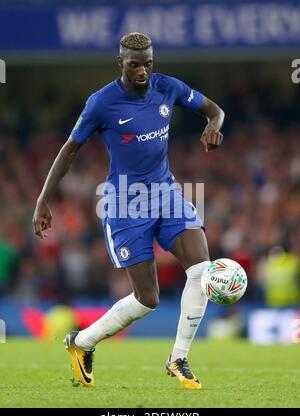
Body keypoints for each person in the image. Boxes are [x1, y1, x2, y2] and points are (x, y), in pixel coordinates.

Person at [32, 32, 224, 390]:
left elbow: (214, 109)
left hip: (166, 194)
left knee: (201, 270)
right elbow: (69, 150)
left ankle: (178, 358)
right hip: (124, 204)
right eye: (135, 64)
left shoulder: (167, 87)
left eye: (148, 64)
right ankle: (82, 342)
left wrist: (213, 126)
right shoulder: (102, 102)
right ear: (120, 62)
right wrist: (43, 199)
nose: (142, 71)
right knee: (147, 299)